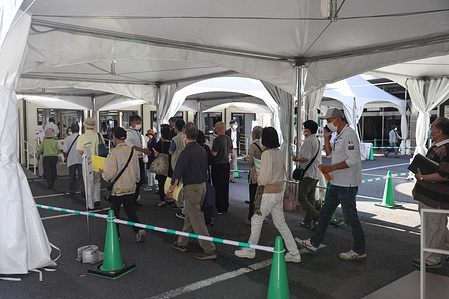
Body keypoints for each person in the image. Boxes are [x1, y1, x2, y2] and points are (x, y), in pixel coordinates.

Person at [296, 108, 366, 260]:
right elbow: (329, 154)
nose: (327, 123)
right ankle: (314, 242)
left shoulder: (349, 134)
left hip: (347, 184)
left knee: (350, 217)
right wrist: (327, 138)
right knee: (325, 213)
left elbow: (353, 160)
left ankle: (359, 250)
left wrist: (331, 168)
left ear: (337, 119)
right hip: (337, 183)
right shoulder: (339, 135)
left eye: (328, 120)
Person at [234, 127, 301, 263]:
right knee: (280, 223)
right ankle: (294, 252)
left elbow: (263, 179)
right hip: (279, 191)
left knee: (256, 220)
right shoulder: (278, 152)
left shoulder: (267, 154)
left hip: (268, 193)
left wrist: (256, 174)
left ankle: (250, 250)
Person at [168, 122, 217, 260]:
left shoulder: (185, 152)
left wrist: (171, 190)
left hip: (192, 188)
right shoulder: (202, 149)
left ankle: (209, 249)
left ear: (184, 136)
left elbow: (177, 173)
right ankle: (181, 242)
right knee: (191, 216)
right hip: (202, 186)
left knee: (196, 219)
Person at [412, 117, 449, 269]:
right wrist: (418, 184)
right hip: (427, 196)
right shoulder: (435, 147)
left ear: (439, 131)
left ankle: (431, 260)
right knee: (437, 228)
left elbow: (443, 175)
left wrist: (421, 177)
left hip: (437, 199)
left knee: (434, 228)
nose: (429, 129)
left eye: (432, 127)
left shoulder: (446, 149)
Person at [99, 127, 145, 242]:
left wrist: (102, 173)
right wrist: (137, 180)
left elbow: (110, 172)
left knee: (115, 211)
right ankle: (138, 230)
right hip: (130, 186)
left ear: (114, 138)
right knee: (129, 209)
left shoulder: (113, 153)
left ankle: (116, 235)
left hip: (118, 188)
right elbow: (137, 170)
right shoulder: (132, 151)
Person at [292, 120, 322, 230]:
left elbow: (305, 158)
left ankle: (317, 216)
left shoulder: (309, 141)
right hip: (315, 173)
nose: (303, 130)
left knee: (302, 197)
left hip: (308, 174)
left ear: (308, 130)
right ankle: (308, 221)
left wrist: (296, 158)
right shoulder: (317, 141)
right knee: (310, 198)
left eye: (303, 128)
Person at [76, 117, 103, 209]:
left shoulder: (82, 137)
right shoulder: (98, 135)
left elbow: (80, 151)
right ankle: (97, 199)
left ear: (85, 126)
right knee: (97, 181)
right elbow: (104, 148)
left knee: (88, 183)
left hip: (88, 160)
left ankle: (90, 204)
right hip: (98, 160)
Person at [125, 115, 151, 206]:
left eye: (140, 122)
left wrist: (144, 153)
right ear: (131, 123)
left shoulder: (138, 133)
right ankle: (131, 200)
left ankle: (135, 199)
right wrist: (142, 150)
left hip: (140, 158)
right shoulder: (129, 132)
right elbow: (130, 145)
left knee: (139, 180)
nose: (139, 124)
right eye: (137, 122)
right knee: (134, 180)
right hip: (133, 159)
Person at [211, 121, 233, 214]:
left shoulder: (217, 140)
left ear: (218, 129)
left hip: (218, 165)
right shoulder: (228, 138)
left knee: (217, 186)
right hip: (226, 164)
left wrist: (210, 150)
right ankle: (225, 206)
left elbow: (214, 154)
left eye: (215, 128)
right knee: (225, 186)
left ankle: (219, 207)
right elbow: (231, 150)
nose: (215, 129)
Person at [244, 126, 263, 225]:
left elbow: (251, 161)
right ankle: (263, 217)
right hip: (263, 172)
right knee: (261, 197)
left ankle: (251, 218)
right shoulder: (264, 144)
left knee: (253, 196)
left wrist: (246, 159)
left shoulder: (253, 145)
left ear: (254, 134)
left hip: (255, 173)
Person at [169, 119, 186, 217]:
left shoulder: (175, 139)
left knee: (178, 183)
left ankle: (180, 203)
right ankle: (181, 203)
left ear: (176, 128)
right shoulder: (187, 136)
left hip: (177, 163)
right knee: (184, 183)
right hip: (187, 164)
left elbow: (171, 151)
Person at [153, 126, 173, 207]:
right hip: (170, 165)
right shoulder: (172, 143)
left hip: (162, 166)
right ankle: (171, 198)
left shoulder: (159, 143)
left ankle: (162, 200)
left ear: (161, 135)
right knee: (170, 182)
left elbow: (156, 154)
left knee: (161, 183)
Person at [63, 124, 83, 197]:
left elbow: (65, 150)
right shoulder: (82, 138)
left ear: (71, 130)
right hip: (81, 159)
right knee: (81, 176)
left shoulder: (67, 139)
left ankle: (72, 191)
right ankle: (83, 191)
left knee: (72, 176)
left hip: (71, 160)